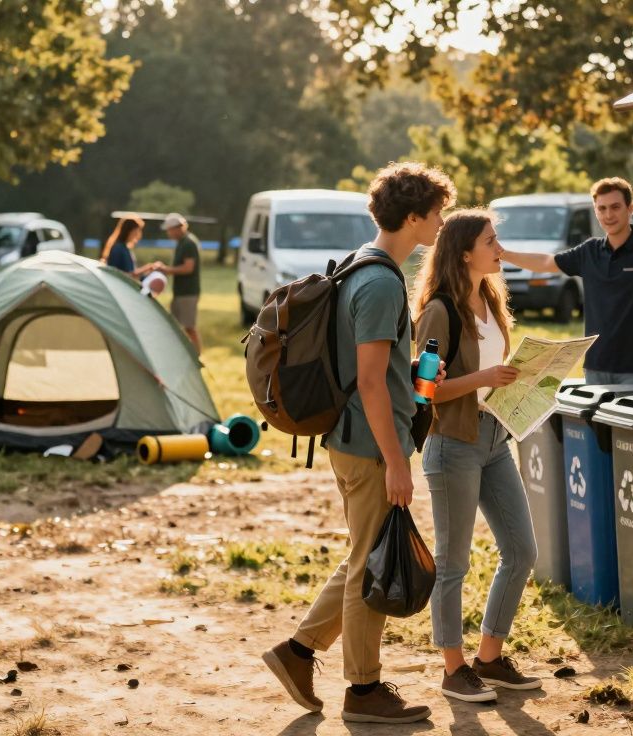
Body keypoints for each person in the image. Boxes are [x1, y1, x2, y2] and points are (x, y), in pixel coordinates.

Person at [262, 162, 456, 725]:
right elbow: (369, 381)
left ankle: (297, 653)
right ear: (414, 217)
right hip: (371, 446)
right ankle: (364, 690)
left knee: (364, 558)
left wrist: (419, 379)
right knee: (375, 570)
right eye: (437, 213)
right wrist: (396, 460)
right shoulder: (377, 282)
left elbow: (379, 372)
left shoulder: (362, 267)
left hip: (358, 439)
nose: (442, 223)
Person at [413, 209, 541, 703]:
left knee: (522, 550)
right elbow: (424, 390)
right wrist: (482, 381)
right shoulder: (439, 311)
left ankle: (489, 657)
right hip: (452, 445)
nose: (499, 247)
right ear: (465, 251)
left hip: (494, 438)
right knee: (453, 563)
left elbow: (493, 371)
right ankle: (453, 669)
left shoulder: (490, 300)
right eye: (491, 240)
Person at [499, 178, 633, 384]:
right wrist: (504, 254)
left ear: (630, 208)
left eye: (615, 207)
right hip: (594, 367)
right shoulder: (589, 251)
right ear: (596, 211)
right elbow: (546, 262)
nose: (608, 215)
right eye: (602, 208)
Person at [143, 213, 202, 352]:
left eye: (169, 229)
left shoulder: (188, 243)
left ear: (177, 228)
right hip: (180, 291)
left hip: (188, 292)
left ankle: (198, 355)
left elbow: (188, 268)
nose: (168, 233)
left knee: (189, 327)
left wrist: (166, 269)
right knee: (175, 325)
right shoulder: (181, 243)